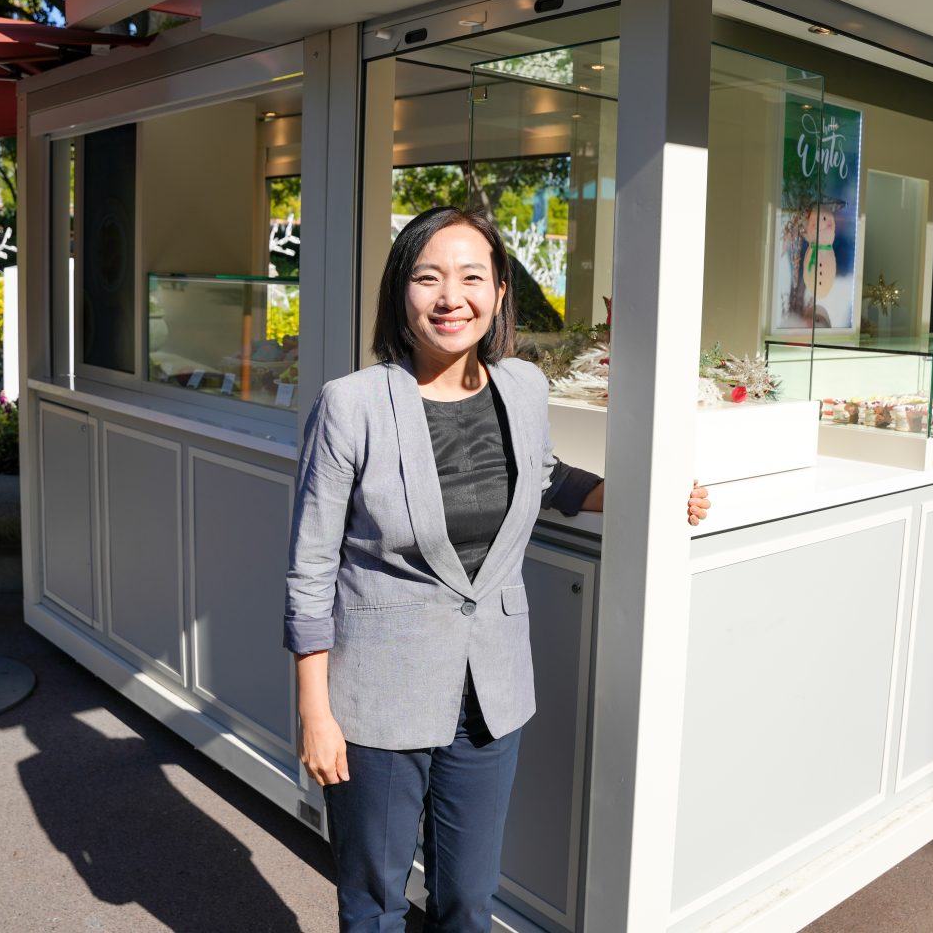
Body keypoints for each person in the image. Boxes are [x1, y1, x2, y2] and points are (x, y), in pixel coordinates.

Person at [285, 205, 710, 932]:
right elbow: (310, 568)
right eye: (429, 277)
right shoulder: (350, 404)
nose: (452, 297)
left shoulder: (523, 386)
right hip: (379, 698)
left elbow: (545, 477)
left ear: (500, 290)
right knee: (374, 904)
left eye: (471, 276)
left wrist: (646, 497)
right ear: (401, 292)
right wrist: (315, 712)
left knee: (469, 899)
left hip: (491, 691)